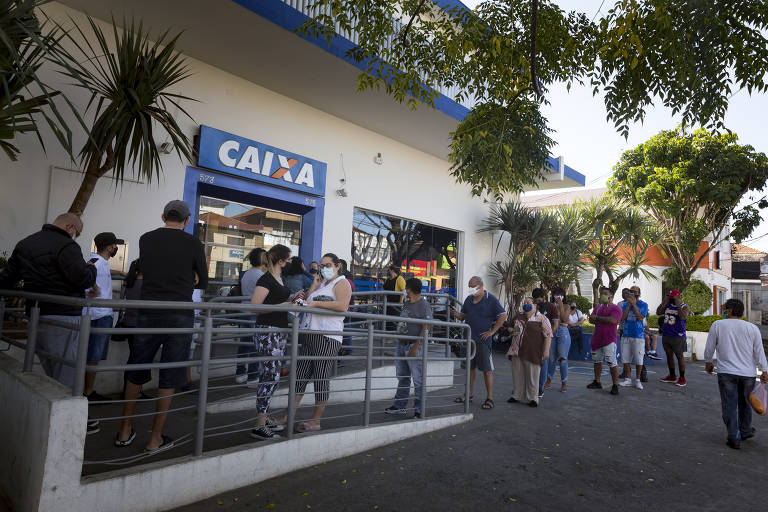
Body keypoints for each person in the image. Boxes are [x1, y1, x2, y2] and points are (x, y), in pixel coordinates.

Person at [116, 200, 208, 452]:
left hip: (149, 309)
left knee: (137, 368)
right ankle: (155, 438)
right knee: (169, 375)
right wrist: (192, 277)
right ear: (187, 221)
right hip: (179, 313)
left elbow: (146, 269)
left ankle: (124, 430)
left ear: (163, 216)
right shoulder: (193, 243)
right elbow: (204, 281)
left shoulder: (147, 239)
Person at [0, 213, 98, 433]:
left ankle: (63, 420)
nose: (76, 236)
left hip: (35, 315)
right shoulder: (66, 246)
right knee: (66, 373)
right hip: (64, 315)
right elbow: (81, 278)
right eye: (77, 232)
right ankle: (69, 424)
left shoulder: (26, 243)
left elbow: (6, 278)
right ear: (70, 226)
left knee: (53, 369)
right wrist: (91, 267)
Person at [284, 253, 352, 432]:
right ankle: (287, 416)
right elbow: (308, 301)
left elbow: (342, 306)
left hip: (328, 336)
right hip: (311, 333)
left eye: (328, 265)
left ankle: (316, 420)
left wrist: (315, 305)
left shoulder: (342, 283)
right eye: (322, 265)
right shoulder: (322, 284)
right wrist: (313, 286)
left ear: (338, 266)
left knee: (320, 377)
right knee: (300, 376)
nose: (324, 268)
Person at [249, 244, 304, 439]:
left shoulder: (279, 278)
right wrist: (281, 305)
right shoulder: (266, 279)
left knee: (272, 376)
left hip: (277, 332)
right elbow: (255, 306)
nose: (290, 263)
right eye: (288, 260)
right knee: (269, 376)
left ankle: (263, 420)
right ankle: (259, 424)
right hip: (267, 332)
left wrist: (291, 298)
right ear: (280, 261)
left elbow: (277, 301)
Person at [705, 298, 768, 449]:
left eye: (725, 308)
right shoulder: (752, 328)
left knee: (730, 404)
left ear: (730, 310)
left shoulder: (718, 325)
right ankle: (745, 430)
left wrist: (708, 362)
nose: (724, 311)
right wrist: (764, 369)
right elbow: (759, 351)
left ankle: (734, 436)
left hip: (727, 372)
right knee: (745, 402)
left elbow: (709, 347)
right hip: (748, 374)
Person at [450, 276, 506, 410]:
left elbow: (503, 315)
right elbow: (464, 316)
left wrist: (492, 332)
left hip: (483, 341)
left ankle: (490, 398)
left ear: (481, 286)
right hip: (468, 339)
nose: (470, 290)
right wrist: (456, 314)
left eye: (472, 287)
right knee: (469, 369)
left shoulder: (491, 299)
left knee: (487, 370)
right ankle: (468, 395)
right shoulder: (469, 299)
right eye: (469, 287)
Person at [82, 232, 124, 402]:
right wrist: (93, 288)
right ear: (109, 247)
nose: (116, 248)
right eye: (115, 245)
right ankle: (87, 392)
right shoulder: (96, 263)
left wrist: (121, 272)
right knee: (93, 357)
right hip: (98, 315)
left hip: (98, 314)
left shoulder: (99, 261)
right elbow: (86, 274)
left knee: (93, 356)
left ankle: (87, 390)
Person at [385, 277, 432, 418]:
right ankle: (399, 406)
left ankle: (419, 409)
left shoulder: (423, 305)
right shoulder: (407, 303)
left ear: (409, 289)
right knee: (403, 377)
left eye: (406, 287)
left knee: (418, 379)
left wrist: (416, 346)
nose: (405, 290)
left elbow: (426, 326)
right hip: (402, 344)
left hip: (413, 346)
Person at [506, 297, 552, 407]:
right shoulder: (518, 316)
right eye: (524, 302)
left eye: (528, 302)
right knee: (517, 374)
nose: (525, 304)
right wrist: (512, 330)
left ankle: (533, 398)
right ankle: (516, 395)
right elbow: (509, 327)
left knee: (533, 376)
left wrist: (546, 351)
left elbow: (548, 335)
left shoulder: (542, 319)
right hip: (516, 350)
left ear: (535, 305)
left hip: (533, 352)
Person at [236, 248, 267, 384]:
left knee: (244, 343)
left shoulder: (247, 273)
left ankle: (240, 373)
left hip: (244, 311)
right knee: (255, 344)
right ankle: (253, 376)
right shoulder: (261, 275)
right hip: (254, 313)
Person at [587, 287, 622, 395]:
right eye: (601, 293)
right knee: (597, 361)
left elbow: (613, 320)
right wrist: (600, 318)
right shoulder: (598, 307)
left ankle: (615, 385)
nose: (602, 295)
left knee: (611, 362)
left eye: (605, 293)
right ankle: (597, 381)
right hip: (597, 339)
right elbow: (590, 319)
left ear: (611, 295)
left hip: (609, 339)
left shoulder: (616, 308)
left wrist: (597, 318)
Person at [656, 289, 690, 387]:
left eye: (672, 297)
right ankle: (672, 376)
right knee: (669, 355)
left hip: (678, 336)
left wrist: (678, 305)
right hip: (666, 334)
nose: (670, 298)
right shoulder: (667, 305)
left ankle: (682, 378)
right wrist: (664, 302)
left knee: (679, 356)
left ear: (678, 297)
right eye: (669, 296)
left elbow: (683, 317)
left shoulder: (684, 306)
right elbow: (658, 312)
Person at [531, 288, 560, 397]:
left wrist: (548, 336)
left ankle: (540, 388)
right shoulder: (534, 306)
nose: (537, 303)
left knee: (543, 362)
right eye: (535, 301)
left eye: (539, 300)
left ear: (544, 297)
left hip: (546, 339)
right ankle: (530, 386)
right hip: (533, 339)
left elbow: (556, 324)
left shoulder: (551, 307)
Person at [619, 285, 648, 390]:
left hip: (638, 336)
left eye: (634, 291)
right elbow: (622, 318)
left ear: (639, 293)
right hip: (626, 334)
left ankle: (638, 380)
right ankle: (627, 379)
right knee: (625, 358)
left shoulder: (643, 304)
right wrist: (628, 305)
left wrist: (634, 305)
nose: (632, 293)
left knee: (638, 359)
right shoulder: (625, 304)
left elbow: (640, 318)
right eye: (631, 291)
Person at [545, 287, 571, 393]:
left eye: (560, 294)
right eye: (555, 294)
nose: (557, 296)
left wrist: (560, 305)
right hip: (552, 331)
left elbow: (564, 319)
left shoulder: (566, 306)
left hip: (562, 332)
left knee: (562, 359)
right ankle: (548, 380)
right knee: (551, 359)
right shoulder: (550, 306)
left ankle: (564, 383)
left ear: (563, 296)